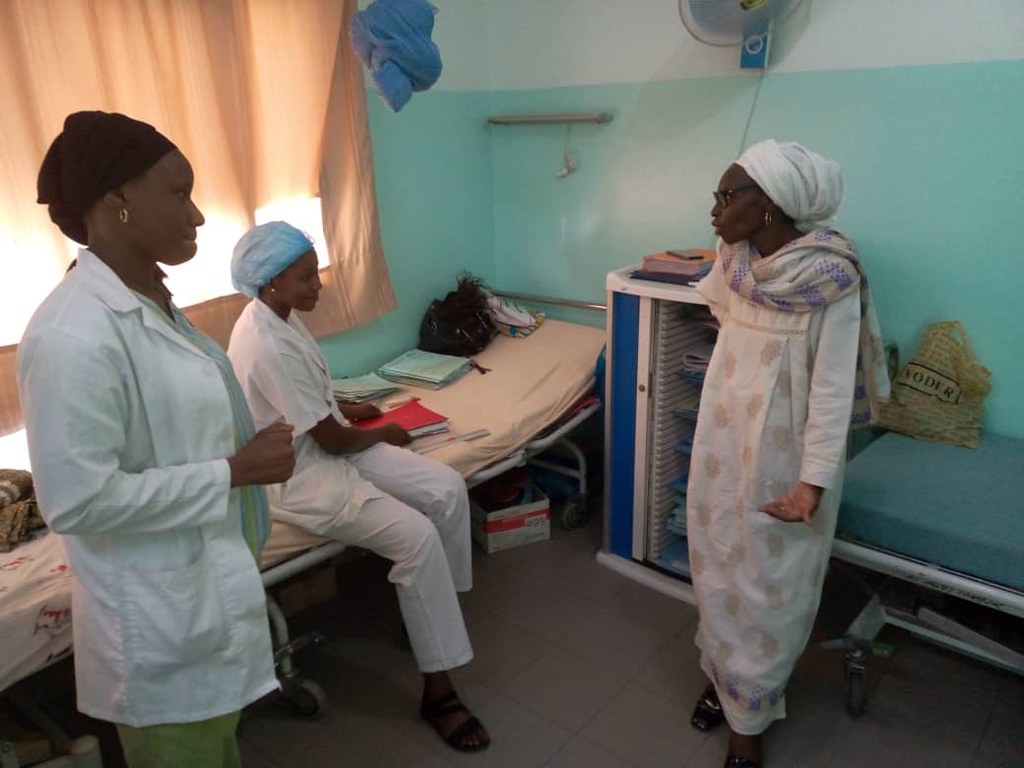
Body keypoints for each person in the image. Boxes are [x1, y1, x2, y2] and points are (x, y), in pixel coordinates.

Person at [18, 111, 296, 768]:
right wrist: (234, 471)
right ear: (116, 203)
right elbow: (77, 502)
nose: (198, 215)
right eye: (179, 192)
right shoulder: (72, 335)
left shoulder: (153, 305)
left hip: (205, 607)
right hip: (160, 638)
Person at [226, 221, 491, 752]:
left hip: (326, 441)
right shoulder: (264, 340)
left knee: (445, 488)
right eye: (306, 278)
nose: (318, 286)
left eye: (315, 273)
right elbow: (328, 439)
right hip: (301, 473)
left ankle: (435, 618)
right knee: (416, 537)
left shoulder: (280, 316)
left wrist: (347, 407)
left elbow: (310, 398)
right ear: (270, 282)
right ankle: (438, 692)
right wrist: (389, 431)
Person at [684, 140, 889, 768]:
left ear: (768, 206)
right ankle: (724, 680)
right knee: (718, 560)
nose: (714, 210)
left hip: (787, 454)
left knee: (773, 582)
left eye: (726, 196)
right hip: (722, 438)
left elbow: (830, 390)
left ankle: (749, 722)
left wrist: (813, 483)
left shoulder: (830, 278)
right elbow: (722, 313)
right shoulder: (734, 261)